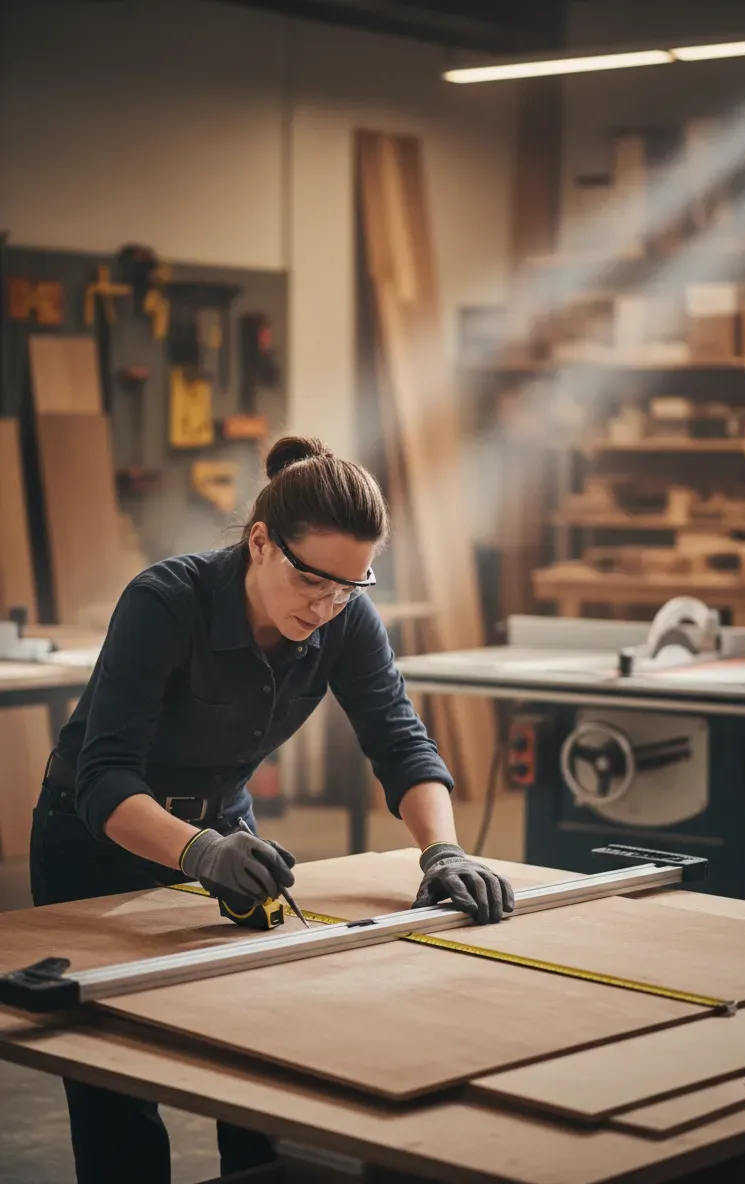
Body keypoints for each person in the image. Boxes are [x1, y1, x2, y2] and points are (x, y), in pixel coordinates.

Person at [30, 434, 514, 1184]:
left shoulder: (344, 620)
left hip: (224, 827)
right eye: (314, 581)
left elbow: (402, 744)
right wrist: (198, 853)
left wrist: (442, 850)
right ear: (261, 542)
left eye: (349, 587)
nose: (326, 606)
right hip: (93, 838)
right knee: (113, 1074)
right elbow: (105, 781)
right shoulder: (165, 602)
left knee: (254, 1049)